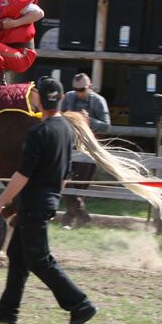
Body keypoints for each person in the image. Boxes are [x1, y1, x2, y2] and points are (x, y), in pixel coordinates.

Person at [0, 76, 97, 324]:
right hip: (43, 202)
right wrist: (52, 199)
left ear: (38, 100)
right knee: (17, 255)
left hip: (32, 204)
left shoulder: (38, 132)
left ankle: (80, 304)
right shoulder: (66, 129)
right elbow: (65, 174)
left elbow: (22, 176)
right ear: (61, 99)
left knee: (39, 259)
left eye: (34, 95)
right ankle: (8, 310)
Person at [59, 73, 111, 228]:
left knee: (79, 184)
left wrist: (90, 121)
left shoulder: (99, 101)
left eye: (81, 89)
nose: (78, 92)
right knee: (66, 180)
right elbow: (59, 115)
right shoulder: (68, 98)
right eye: (75, 89)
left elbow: (107, 126)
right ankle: (80, 216)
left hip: (88, 148)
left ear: (90, 86)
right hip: (70, 145)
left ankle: (71, 218)